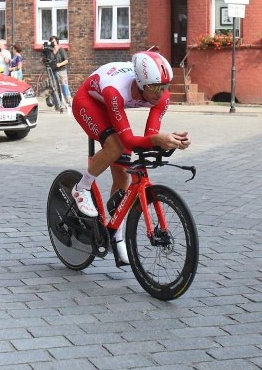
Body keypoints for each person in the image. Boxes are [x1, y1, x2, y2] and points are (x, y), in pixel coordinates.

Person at [70, 52, 190, 264]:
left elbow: (149, 136)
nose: (160, 93)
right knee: (116, 146)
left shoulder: (161, 95)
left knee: (124, 173)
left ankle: (116, 236)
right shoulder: (115, 90)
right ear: (141, 83)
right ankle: (81, 188)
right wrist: (157, 139)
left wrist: (170, 141)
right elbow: (129, 139)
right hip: (88, 102)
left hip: (111, 107)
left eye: (164, 87)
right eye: (155, 87)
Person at [50, 37, 73, 107]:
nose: (52, 43)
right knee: (55, 87)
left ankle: (69, 103)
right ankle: (57, 104)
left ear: (57, 41)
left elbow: (66, 60)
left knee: (64, 86)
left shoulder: (61, 50)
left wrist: (59, 64)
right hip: (54, 71)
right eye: (51, 42)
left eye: (53, 41)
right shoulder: (51, 50)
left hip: (62, 71)